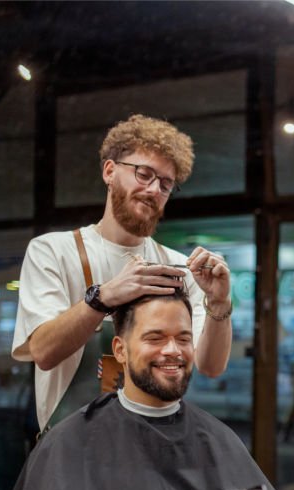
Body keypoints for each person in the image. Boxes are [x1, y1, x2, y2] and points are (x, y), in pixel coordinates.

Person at [0, 291, 288, 490]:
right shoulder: (67, 444)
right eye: (155, 338)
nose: (172, 351)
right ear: (120, 350)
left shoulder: (219, 439)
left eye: (184, 339)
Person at [12, 114, 233, 432]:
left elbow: (210, 366)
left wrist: (220, 302)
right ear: (110, 171)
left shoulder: (179, 269)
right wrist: (103, 297)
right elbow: (43, 352)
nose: (154, 190)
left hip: (153, 442)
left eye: (166, 184)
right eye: (144, 174)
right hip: (71, 449)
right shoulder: (54, 251)